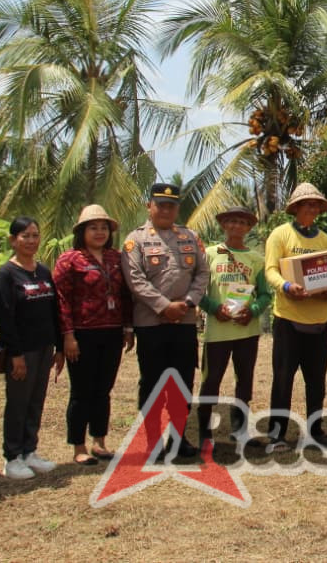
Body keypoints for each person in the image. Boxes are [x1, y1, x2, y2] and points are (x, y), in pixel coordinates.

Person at [121, 183, 210, 459]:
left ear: (177, 208)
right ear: (149, 206)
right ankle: (151, 440)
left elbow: (202, 273)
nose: (166, 209)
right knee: (152, 382)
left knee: (183, 381)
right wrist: (163, 306)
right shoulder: (135, 241)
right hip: (151, 324)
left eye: (171, 205)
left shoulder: (191, 237)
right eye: (160, 204)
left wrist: (188, 303)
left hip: (184, 323)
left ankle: (179, 438)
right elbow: (134, 280)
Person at [54, 204, 133, 466]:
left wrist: (128, 328)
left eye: (104, 228)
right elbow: (61, 300)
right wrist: (67, 336)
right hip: (81, 335)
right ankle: (79, 446)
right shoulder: (70, 259)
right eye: (93, 227)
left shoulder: (116, 258)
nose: (99, 232)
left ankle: (99, 441)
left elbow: (125, 295)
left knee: (104, 390)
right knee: (81, 391)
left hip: (111, 333)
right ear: (82, 231)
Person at [264, 183, 327, 448]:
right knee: (283, 379)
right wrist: (286, 286)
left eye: (315, 204)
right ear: (295, 207)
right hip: (288, 319)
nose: (312, 208)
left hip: (319, 322)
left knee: (316, 382)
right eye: (307, 204)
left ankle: (316, 431)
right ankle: (277, 433)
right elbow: (271, 270)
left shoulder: (325, 240)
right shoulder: (280, 235)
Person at [0, 217, 64, 480]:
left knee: (36, 401)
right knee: (18, 403)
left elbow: (53, 311)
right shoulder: (6, 275)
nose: (31, 240)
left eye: (35, 235)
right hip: (22, 351)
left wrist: (58, 347)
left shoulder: (44, 272)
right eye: (25, 236)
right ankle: (12, 457)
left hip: (44, 348)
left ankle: (29, 451)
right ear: (13, 240)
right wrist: (15, 354)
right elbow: (5, 319)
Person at [197, 205, 270, 450]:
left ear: (249, 228)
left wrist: (253, 311)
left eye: (242, 222)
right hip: (217, 331)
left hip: (246, 332)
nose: (236, 226)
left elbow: (265, 295)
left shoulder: (256, 259)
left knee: (244, 381)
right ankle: (204, 433)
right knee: (210, 382)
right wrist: (213, 308)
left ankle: (239, 431)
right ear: (223, 225)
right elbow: (198, 292)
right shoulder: (209, 254)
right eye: (231, 222)